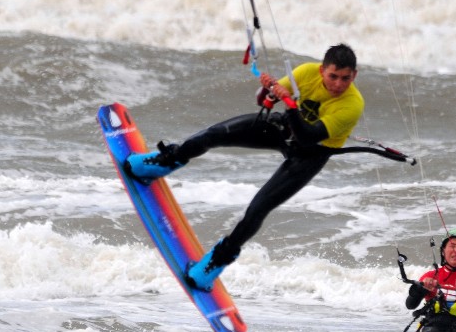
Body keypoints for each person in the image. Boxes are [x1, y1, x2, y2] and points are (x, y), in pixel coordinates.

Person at [124, 43, 365, 291]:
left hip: (310, 152)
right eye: (333, 76)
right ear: (322, 70)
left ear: (354, 76)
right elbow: (264, 100)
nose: (338, 84)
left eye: (345, 78)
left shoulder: (352, 105)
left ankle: (213, 266)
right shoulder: (305, 72)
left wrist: (288, 102)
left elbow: (308, 136)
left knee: (258, 208)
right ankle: (162, 164)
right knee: (213, 134)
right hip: (284, 128)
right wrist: (269, 91)